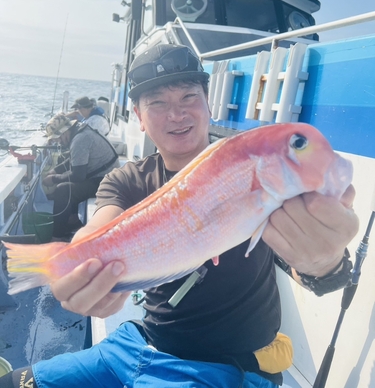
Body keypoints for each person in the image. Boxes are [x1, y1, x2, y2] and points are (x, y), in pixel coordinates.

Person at [0, 45, 359, 388]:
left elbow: (312, 269)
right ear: (138, 117)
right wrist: (74, 263)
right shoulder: (127, 179)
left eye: (189, 96)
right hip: (137, 343)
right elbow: (100, 228)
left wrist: (325, 262)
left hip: (223, 367)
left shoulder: (260, 177)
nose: (176, 113)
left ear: (208, 104)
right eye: (157, 102)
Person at [42, 114, 120, 239]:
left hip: (107, 181)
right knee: (65, 185)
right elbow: (76, 158)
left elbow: (78, 176)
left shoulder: (79, 139)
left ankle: (57, 237)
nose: (58, 142)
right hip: (108, 176)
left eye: (58, 138)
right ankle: (72, 220)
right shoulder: (80, 131)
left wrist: (53, 179)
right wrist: (55, 170)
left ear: (65, 131)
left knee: (62, 190)